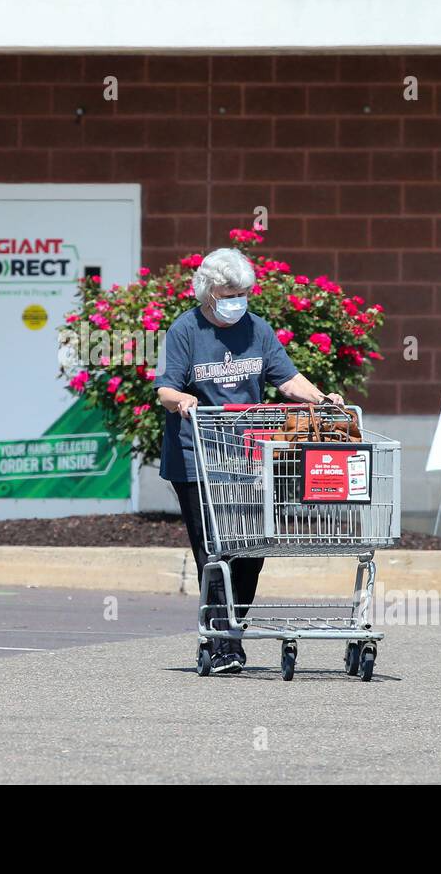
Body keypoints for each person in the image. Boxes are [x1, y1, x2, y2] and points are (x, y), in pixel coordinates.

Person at [154, 247, 343, 675]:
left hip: (248, 458)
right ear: (207, 292)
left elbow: (287, 377)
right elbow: (165, 389)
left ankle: (233, 631)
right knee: (214, 551)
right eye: (228, 293)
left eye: (243, 292)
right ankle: (222, 643)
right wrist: (183, 399)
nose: (237, 300)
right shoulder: (184, 330)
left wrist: (321, 398)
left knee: (251, 549)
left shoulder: (257, 329)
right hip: (197, 457)